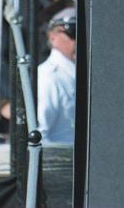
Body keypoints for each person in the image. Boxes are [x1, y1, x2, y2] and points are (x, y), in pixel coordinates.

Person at [37, 8, 77, 145]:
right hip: (62, 161)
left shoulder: (81, 74)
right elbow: (39, 135)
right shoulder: (48, 77)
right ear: (52, 37)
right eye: (73, 32)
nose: (78, 41)